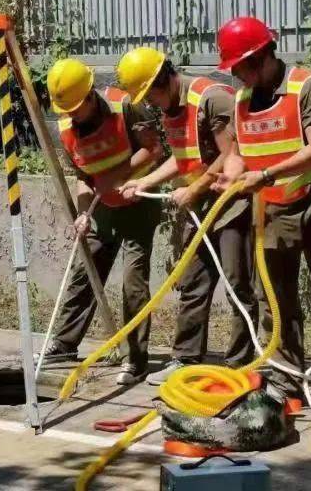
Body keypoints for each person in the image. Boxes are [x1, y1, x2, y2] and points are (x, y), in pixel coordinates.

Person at [213, 16, 311, 399]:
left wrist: (263, 176)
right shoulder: (242, 101)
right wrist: (231, 177)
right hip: (271, 210)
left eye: (239, 68)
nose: (236, 77)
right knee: (276, 299)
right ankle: (285, 379)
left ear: (261, 56)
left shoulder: (307, 88)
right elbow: (237, 153)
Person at [117, 47, 257, 386]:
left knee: (238, 285)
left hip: (231, 202)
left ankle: (239, 365)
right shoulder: (171, 110)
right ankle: (185, 358)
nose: (148, 103)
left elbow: (231, 155)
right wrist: (145, 180)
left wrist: (195, 190)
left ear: (163, 79)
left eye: (149, 94)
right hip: (199, 206)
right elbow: (183, 158)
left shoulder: (211, 99)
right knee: (193, 282)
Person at [46, 58, 163, 385]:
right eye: (65, 109)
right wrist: (84, 213)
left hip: (138, 201)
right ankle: (65, 344)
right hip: (102, 208)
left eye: (75, 108)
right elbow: (83, 178)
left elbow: (154, 150)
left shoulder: (125, 106)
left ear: (90, 95)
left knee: (133, 281)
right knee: (86, 268)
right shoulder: (65, 128)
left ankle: (136, 360)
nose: (71, 115)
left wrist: (118, 177)